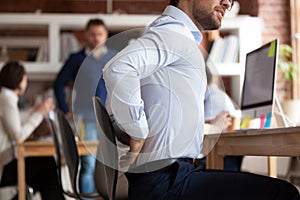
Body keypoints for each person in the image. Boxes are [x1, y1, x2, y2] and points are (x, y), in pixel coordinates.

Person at [103, 0, 300, 199]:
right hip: (167, 182)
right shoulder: (174, 33)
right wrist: (138, 132)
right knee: (283, 193)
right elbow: (118, 69)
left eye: (231, 0)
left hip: (166, 177)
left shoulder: (175, 34)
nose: (227, 4)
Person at [53, 18, 116, 193]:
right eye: (93, 34)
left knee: (108, 165)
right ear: (86, 36)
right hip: (85, 118)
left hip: (110, 120)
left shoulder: (114, 57)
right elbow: (58, 84)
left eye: (100, 34)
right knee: (88, 163)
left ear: (106, 35)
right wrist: (65, 110)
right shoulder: (76, 59)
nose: (96, 38)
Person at [0, 61, 64, 200]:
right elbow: (18, 136)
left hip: (5, 162)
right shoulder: (7, 98)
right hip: (3, 166)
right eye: (25, 78)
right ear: (18, 79)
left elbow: (14, 126)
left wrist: (35, 111)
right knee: (46, 165)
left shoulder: (5, 97)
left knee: (43, 170)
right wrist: (39, 113)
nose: (26, 82)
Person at [203, 66, 244, 171]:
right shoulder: (209, 96)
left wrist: (212, 126)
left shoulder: (215, 99)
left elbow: (204, 135)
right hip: (216, 155)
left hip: (222, 159)